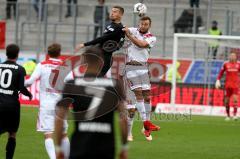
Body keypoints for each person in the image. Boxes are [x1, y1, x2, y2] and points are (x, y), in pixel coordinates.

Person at [55, 47, 128, 159]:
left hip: (79, 148)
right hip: (105, 150)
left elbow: (59, 117)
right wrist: (124, 148)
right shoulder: (114, 85)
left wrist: (59, 148)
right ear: (102, 61)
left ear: (83, 61)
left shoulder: (72, 84)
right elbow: (123, 118)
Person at [25, 43, 70, 159]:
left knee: (48, 133)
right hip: (61, 104)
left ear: (48, 53)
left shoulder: (42, 65)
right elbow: (71, 81)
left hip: (46, 104)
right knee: (64, 134)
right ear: (60, 53)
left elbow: (30, 82)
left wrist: (18, 84)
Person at [123, 16, 160, 141]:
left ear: (149, 26)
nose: (143, 26)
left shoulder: (152, 38)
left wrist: (129, 36)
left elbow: (141, 44)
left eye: (146, 24)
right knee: (134, 102)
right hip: (131, 68)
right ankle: (139, 128)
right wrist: (125, 30)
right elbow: (124, 28)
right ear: (139, 23)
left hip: (143, 69)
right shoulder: (134, 30)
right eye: (142, 23)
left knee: (147, 97)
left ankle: (145, 127)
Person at [0, 44, 32, 159]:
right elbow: (21, 88)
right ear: (17, 55)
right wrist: (29, 94)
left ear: (6, 53)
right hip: (12, 106)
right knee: (12, 134)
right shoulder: (20, 69)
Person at [75, 5, 125, 77]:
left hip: (105, 58)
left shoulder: (120, 28)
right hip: (99, 56)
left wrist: (84, 44)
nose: (112, 13)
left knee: (93, 80)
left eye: (115, 12)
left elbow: (102, 39)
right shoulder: (110, 25)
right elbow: (103, 40)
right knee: (88, 78)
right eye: (112, 11)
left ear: (121, 14)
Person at [215, 52, 239, 121]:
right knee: (226, 101)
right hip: (227, 86)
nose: (232, 57)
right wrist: (218, 80)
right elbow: (221, 72)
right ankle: (228, 116)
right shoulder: (226, 64)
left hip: (235, 86)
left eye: (233, 55)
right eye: (231, 55)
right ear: (229, 57)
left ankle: (235, 115)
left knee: (235, 100)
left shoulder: (238, 64)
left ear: (235, 57)